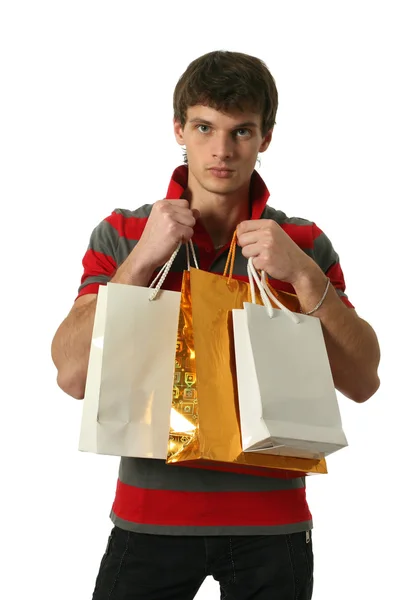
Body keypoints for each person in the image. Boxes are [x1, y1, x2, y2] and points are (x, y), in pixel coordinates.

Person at [51, 50, 380, 600]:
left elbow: (364, 380)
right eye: (204, 127)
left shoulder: (302, 243)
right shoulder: (125, 231)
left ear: (265, 138)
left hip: (272, 527)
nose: (222, 150)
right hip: (150, 518)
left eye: (241, 131)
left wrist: (301, 273)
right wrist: (141, 262)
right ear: (179, 129)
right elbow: (71, 374)